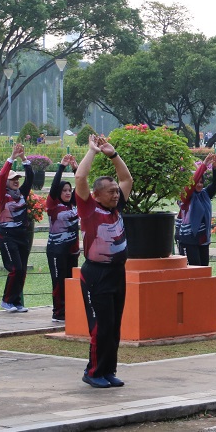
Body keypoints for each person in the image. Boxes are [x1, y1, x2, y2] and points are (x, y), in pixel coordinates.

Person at [74, 134, 133, 388]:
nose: (116, 195)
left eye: (116, 192)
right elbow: (80, 178)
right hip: (95, 274)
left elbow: (126, 179)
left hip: (117, 273)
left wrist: (113, 154)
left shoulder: (116, 208)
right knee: (100, 326)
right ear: (96, 195)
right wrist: (93, 151)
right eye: (110, 192)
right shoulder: (89, 209)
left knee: (114, 325)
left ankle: (108, 370)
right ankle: (93, 372)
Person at [0, 143, 34, 312]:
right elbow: (2, 176)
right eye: (13, 180)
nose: (16, 181)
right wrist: (11, 158)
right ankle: (6, 301)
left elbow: (31, 177)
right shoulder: (2, 196)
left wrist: (24, 158)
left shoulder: (22, 194)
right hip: (7, 235)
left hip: (22, 235)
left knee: (22, 270)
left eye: (17, 179)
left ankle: (17, 302)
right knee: (15, 268)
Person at [45, 154, 80, 323]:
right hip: (56, 250)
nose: (67, 193)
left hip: (72, 250)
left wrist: (75, 168)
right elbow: (53, 188)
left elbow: (81, 186)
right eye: (64, 191)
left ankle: (71, 310)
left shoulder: (73, 204)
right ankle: (58, 313)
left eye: (69, 190)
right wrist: (61, 167)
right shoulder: (52, 205)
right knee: (59, 281)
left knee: (72, 280)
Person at [177, 153, 216, 266]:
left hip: (203, 240)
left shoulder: (205, 194)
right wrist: (204, 165)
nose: (200, 185)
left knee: (203, 270)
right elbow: (193, 182)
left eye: (202, 182)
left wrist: (215, 168)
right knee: (192, 271)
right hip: (188, 240)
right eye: (197, 182)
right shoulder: (185, 196)